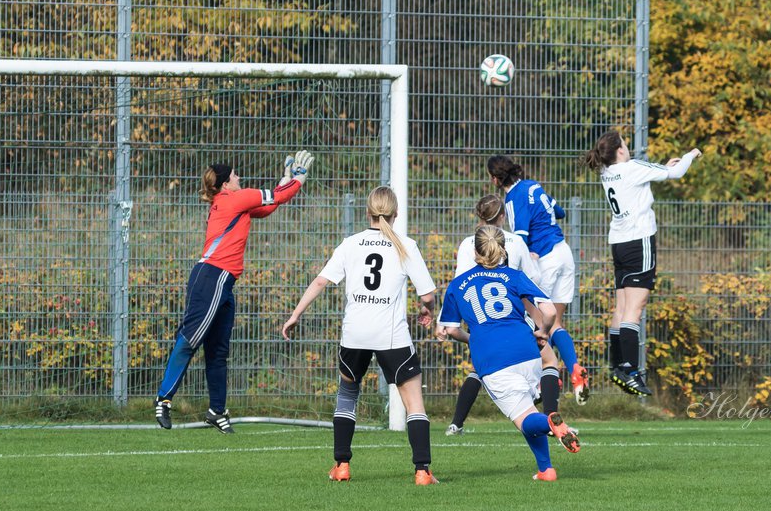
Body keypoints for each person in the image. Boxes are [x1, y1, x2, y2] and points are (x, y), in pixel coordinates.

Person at [281, 186, 439, 485]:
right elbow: (429, 294)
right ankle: (422, 470)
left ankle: (341, 465)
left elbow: (319, 282)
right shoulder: (405, 245)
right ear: (395, 214)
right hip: (390, 336)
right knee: (414, 403)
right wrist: (427, 309)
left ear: (368, 212)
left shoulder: (350, 244)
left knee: (347, 395)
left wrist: (295, 314)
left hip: (354, 335)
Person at [155, 151, 313, 433]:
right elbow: (280, 196)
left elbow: (267, 206)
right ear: (227, 184)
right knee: (190, 339)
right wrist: (299, 177)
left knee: (218, 350)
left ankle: (217, 410)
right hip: (213, 276)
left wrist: (287, 178)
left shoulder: (232, 201)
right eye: (235, 175)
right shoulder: (235, 198)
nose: (240, 178)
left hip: (223, 281)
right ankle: (163, 400)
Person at [437, 225, 581, 481]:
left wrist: (472, 339)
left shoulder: (458, 285)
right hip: (528, 352)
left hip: (494, 360)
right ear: (503, 249)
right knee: (527, 409)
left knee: (526, 420)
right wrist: (544, 333)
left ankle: (550, 424)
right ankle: (545, 469)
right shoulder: (514, 276)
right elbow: (548, 312)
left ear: (474, 251)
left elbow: (450, 329)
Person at [584, 130, 701, 397]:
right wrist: (690, 155)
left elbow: (650, 175)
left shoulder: (607, 172)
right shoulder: (632, 167)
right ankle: (630, 369)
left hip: (619, 244)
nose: (628, 147)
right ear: (621, 151)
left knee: (622, 306)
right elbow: (677, 174)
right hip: (639, 242)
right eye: (625, 144)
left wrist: (663, 167)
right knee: (635, 309)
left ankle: (616, 364)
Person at [446, 194, 564, 435]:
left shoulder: (467, 243)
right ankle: (551, 417)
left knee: (480, 368)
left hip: (479, 319)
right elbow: (534, 280)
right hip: (513, 319)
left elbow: (458, 288)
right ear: (503, 216)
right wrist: (542, 329)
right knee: (550, 360)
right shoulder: (516, 243)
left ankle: (456, 423)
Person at [487, 155, 589, 404]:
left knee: (535, 321)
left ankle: (549, 377)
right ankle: (575, 369)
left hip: (545, 259)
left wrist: (524, 256)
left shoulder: (512, 198)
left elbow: (520, 236)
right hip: (564, 252)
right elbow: (560, 212)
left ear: (495, 179)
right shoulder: (533, 185)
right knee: (555, 324)